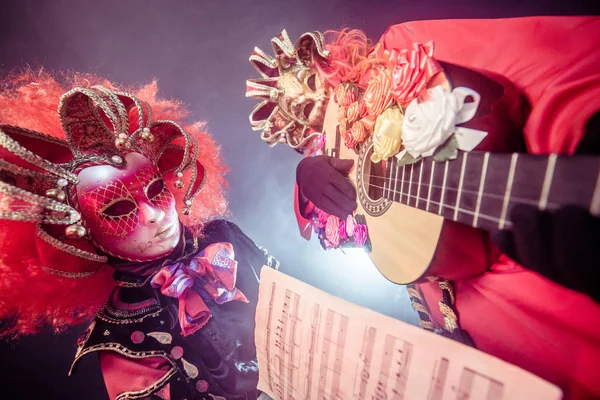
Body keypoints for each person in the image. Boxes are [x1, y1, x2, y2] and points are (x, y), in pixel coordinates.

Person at [246, 17, 600, 399]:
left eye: (308, 84)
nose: (308, 105)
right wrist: (307, 178)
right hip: (465, 279)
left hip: (535, 169)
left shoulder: (395, 56)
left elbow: (529, 58)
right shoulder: (336, 154)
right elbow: (349, 225)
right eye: (297, 111)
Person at [0, 72, 277, 400]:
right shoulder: (121, 335)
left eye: (155, 188)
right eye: (117, 209)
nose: (154, 214)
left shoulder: (223, 237)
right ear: (79, 234)